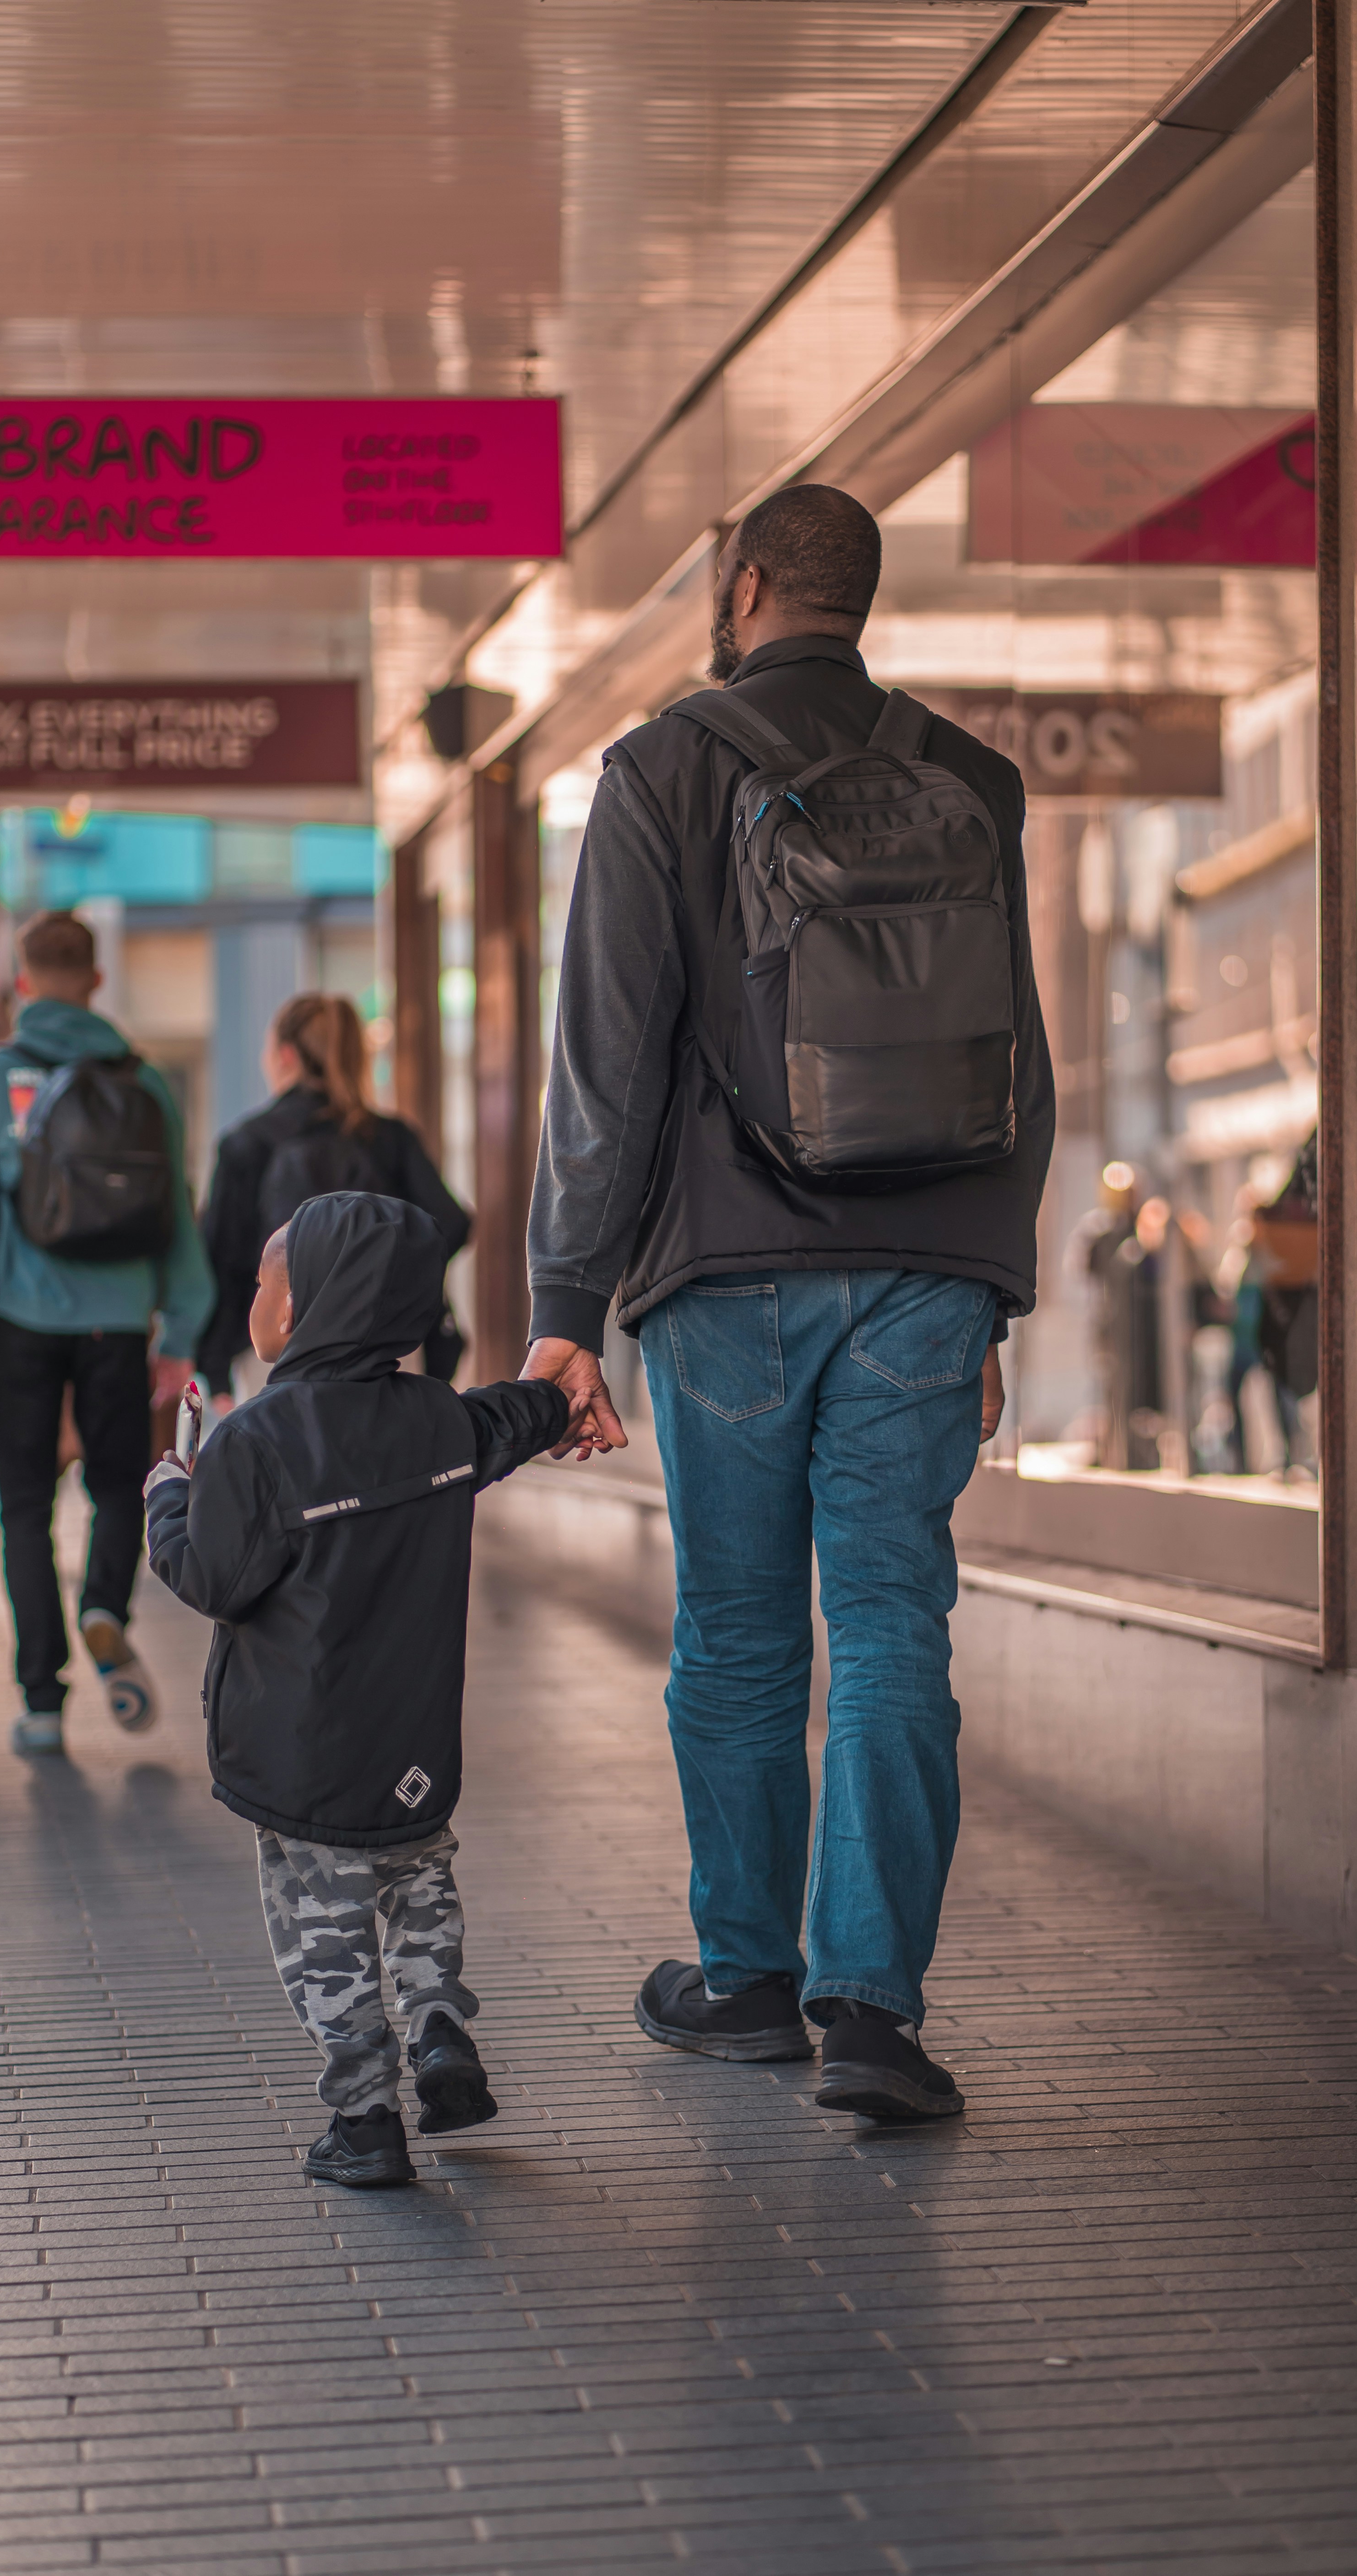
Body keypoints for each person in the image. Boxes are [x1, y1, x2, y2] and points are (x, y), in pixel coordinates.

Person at [523, 483, 1055, 2123]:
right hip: (922, 1276)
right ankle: (874, 2017)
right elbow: (1018, 1065)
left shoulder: (661, 773)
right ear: (855, 598)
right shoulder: (969, 780)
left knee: (740, 1630)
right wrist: (989, 1287)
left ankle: (745, 1980)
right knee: (893, 1621)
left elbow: (608, 1060)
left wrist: (566, 1301)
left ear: (743, 588)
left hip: (726, 1276)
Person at [143, 1191, 574, 2188]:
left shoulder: (252, 1443)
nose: (253, 1296)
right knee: (420, 1879)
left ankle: (365, 2117)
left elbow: (211, 1577)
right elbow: (511, 1420)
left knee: (324, 1930)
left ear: (298, 1311)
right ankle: (437, 2029)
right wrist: (564, 1397)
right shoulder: (436, 1420)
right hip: (413, 1744)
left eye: (263, 1280)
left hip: (305, 1756)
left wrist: (171, 1492)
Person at [0, 911, 213, 1756]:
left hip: (21, 1323)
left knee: (25, 1507)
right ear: (97, 981)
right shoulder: (144, 1084)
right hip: (120, 1322)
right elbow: (177, 1218)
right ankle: (104, 1607)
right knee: (118, 1487)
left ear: (25, 980)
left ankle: (42, 1699)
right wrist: (180, 1330)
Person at [195, 990, 471, 1407]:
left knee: (287, 1464)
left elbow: (222, 1257)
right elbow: (450, 1223)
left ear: (286, 1056)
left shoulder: (248, 1143)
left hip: (278, 1344)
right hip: (384, 1343)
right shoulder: (388, 1139)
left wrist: (215, 1367)